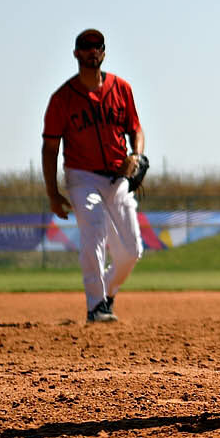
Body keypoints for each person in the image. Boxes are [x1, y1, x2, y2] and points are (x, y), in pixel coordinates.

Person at [42, 29, 146, 324]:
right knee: (94, 231)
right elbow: (50, 148)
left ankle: (108, 292)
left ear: (104, 51)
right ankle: (95, 305)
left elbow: (135, 130)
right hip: (82, 176)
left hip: (117, 177)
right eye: (85, 46)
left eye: (97, 46)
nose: (92, 51)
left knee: (131, 252)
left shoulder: (121, 88)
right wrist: (53, 192)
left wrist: (135, 156)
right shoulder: (62, 98)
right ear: (76, 53)